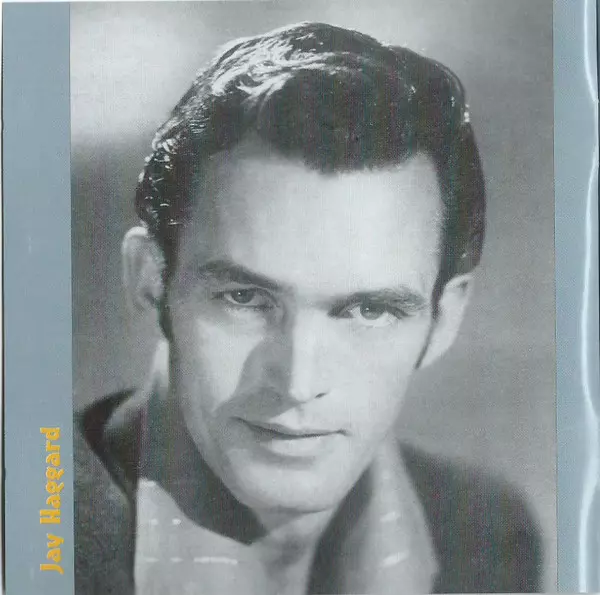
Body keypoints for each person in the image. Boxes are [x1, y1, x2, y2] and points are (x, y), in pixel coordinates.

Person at [74, 21, 542, 594]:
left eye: (369, 311)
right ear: (150, 279)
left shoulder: (486, 535)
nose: (298, 383)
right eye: (245, 298)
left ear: (443, 321)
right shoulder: (30, 534)